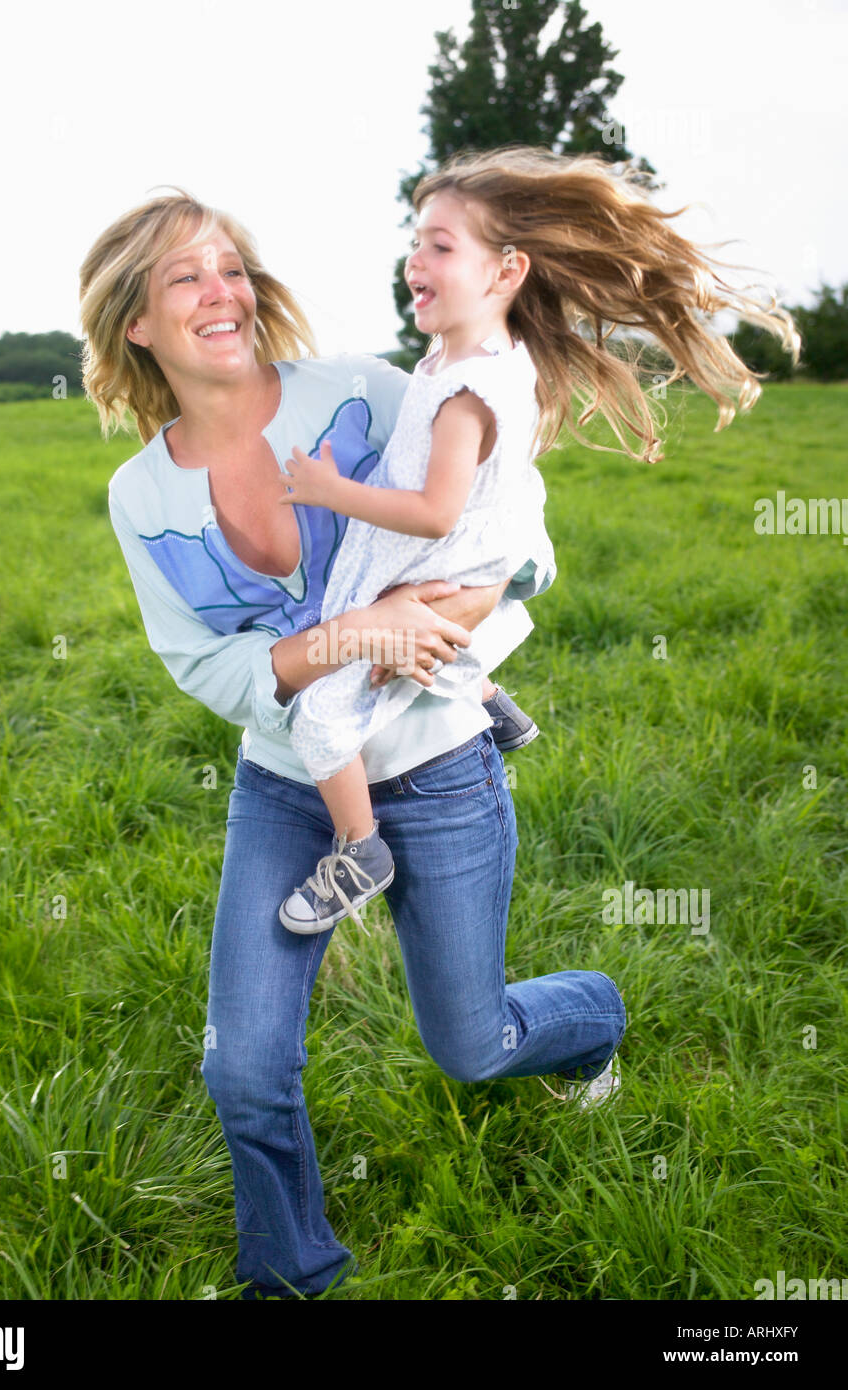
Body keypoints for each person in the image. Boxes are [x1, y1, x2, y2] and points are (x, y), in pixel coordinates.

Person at [80, 146, 795, 1299]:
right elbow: (206, 667)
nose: (223, 293)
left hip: (438, 769)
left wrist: (436, 606)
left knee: (471, 1046)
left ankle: (592, 1015)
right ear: (136, 328)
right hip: (285, 784)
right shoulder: (140, 497)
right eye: (185, 280)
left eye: (231, 269)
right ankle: (291, 1271)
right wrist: (363, 633)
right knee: (246, 1066)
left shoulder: (364, 390)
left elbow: (524, 543)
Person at [274, 182, 552, 936]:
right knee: (431, 632)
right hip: (461, 555)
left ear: (505, 272)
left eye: (440, 245)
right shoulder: (468, 360)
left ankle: (361, 849)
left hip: (433, 551)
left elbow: (434, 512)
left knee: (318, 712)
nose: (414, 260)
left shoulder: (464, 391)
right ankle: (489, 701)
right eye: (415, 242)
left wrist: (331, 491)